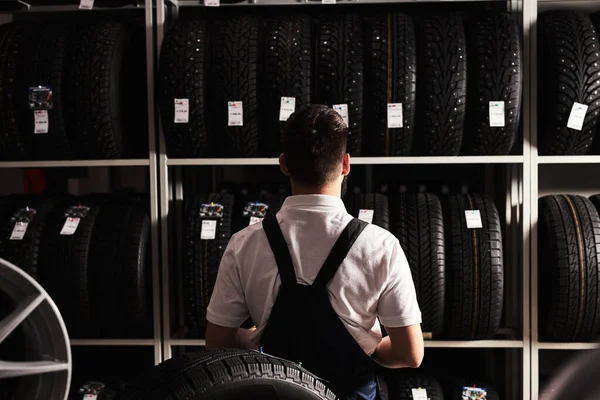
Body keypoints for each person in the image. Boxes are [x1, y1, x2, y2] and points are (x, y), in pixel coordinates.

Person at [205, 104, 424, 400]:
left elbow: (218, 342)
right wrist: (369, 349)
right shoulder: (381, 246)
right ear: (346, 164)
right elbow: (410, 353)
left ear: (283, 164)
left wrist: (253, 340)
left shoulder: (244, 243)